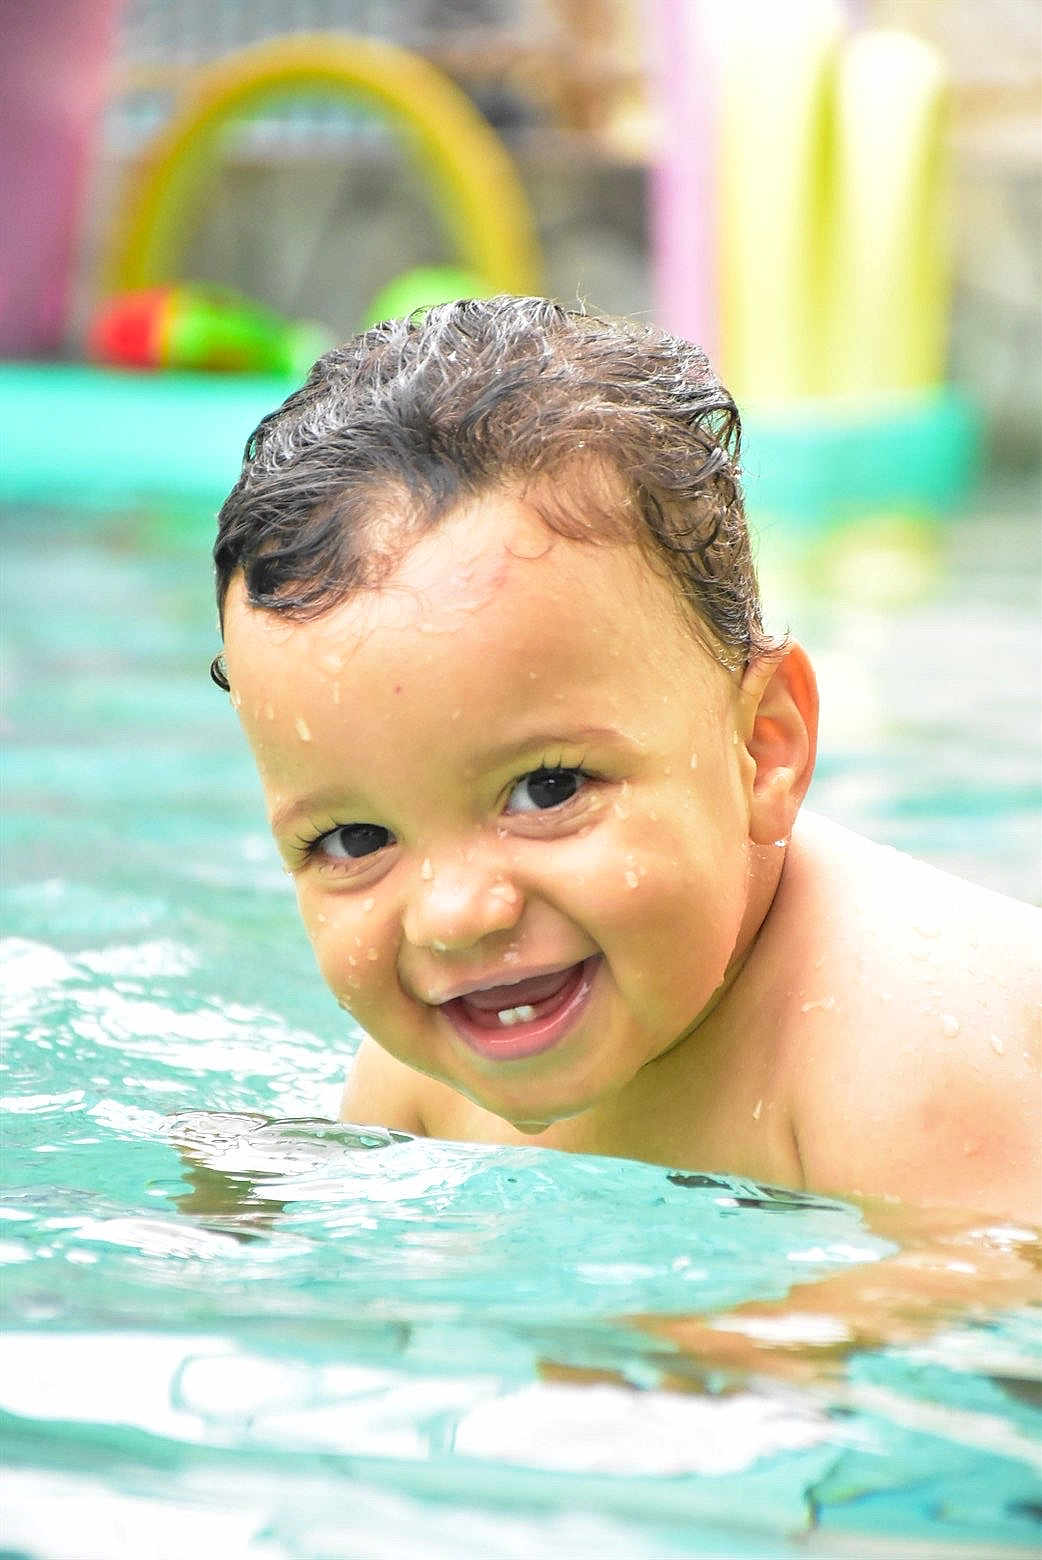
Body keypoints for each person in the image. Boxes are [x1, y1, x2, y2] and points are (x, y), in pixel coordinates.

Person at [212, 296, 1040, 1225]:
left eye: (547, 789)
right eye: (354, 837)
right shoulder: (428, 1070)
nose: (452, 918)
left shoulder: (907, 1042)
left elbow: (966, 1318)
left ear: (763, 746)